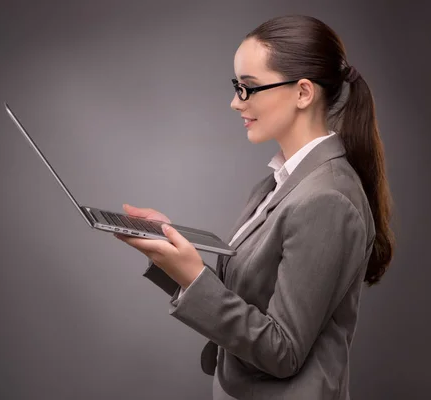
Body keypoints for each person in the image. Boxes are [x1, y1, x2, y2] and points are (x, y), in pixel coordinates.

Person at [114, 14, 394, 400]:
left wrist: (194, 278)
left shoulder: (327, 199)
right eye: (236, 86)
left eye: (249, 88)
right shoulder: (279, 182)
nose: (234, 102)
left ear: (303, 93)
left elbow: (283, 351)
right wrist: (173, 257)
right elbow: (249, 298)